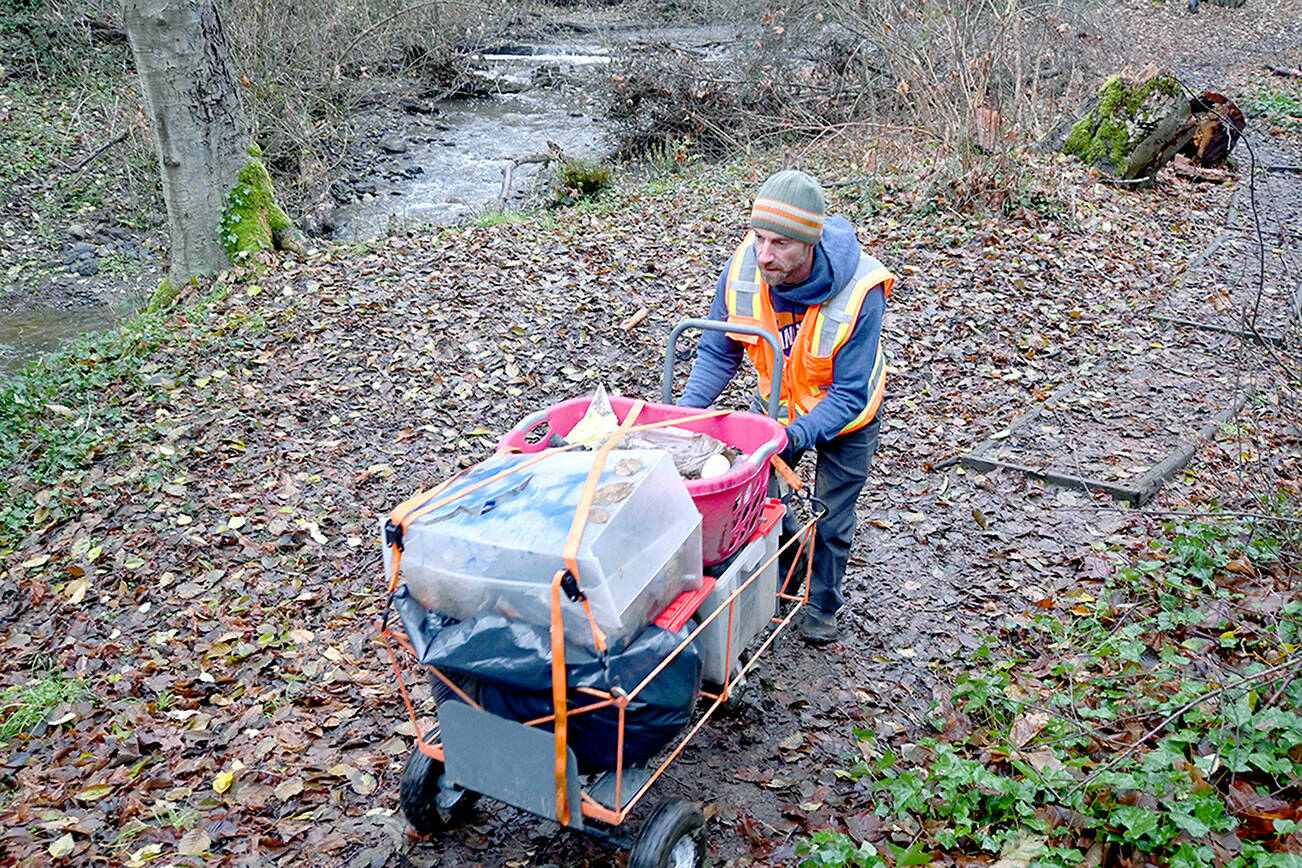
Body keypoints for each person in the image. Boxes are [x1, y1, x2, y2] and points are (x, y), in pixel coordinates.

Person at [677, 169, 894, 645]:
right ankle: (786, 564)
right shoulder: (742, 270)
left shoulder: (862, 290)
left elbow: (850, 394)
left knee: (832, 515)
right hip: (776, 407)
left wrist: (791, 437)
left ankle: (822, 604)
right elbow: (719, 351)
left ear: (809, 244)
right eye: (757, 237)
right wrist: (684, 416)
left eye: (779, 244)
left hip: (848, 417)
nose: (763, 255)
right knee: (759, 502)